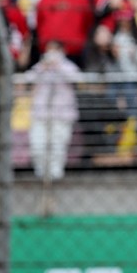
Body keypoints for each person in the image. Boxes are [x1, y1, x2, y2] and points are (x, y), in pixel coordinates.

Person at [24, 40, 80, 180]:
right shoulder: (41, 67)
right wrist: (43, 67)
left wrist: (58, 66)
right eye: (49, 50)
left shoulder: (68, 66)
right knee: (37, 143)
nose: (52, 54)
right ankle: (41, 173)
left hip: (62, 113)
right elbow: (27, 79)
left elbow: (76, 78)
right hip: (41, 112)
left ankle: (56, 175)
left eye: (55, 50)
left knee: (59, 144)